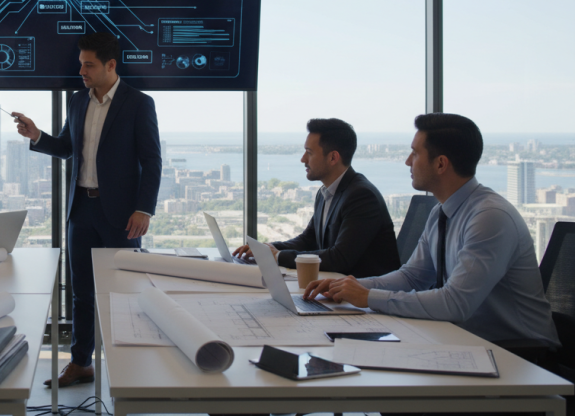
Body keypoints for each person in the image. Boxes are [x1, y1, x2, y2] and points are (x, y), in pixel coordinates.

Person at [304, 113, 560, 350]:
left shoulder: (490, 217)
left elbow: (455, 303)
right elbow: (413, 277)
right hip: (464, 339)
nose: (407, 161)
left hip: (520, 352)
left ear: (440, 164)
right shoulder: (441, 212)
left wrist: (368, 296)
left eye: (414, 154)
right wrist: (348, 286)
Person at [13, 32, 161, 387]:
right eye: (81, 64)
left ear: (111, 65)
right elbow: (66, 147)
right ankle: (81, 363)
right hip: (81, 210)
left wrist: (144, 209)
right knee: (80, 293)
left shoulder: (139, 103)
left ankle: (130, 368)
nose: (81, 70)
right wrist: (36, 136)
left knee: (124, 293)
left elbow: (152, 160)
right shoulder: (77, 101)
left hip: (123, 215)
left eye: (88, 65)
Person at [232, 118, 400, 278]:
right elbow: (308, 239)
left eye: (309, 153)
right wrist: (269, 248)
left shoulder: (361, 196)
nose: (303, 159)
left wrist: (278, 256)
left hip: (363, 298)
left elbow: (339, 258)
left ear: (333, 157)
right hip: (334, 287)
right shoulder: (325, 192)